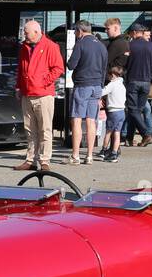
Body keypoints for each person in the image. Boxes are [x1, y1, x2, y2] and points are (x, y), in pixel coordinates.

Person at [14, 19, 64, 171]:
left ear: (36, 32)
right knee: (30, 129)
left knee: (45, 129)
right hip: (28, 94)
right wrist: (18, 87)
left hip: (43, 94)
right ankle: (30, 160)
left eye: (27, 33)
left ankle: (44, 161)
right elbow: (21, 70)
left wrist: (43, 82)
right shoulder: (24, 47)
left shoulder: (50, 46)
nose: (25, 35)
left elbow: (58, 68)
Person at [65, 20, 107, 165]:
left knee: (76, 119)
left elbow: (71, 65)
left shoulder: (81, 44)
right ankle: (89, 155)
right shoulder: (102, 46)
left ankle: (75, 155)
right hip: (97, 86)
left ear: (80, 31)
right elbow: (104, 68)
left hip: (83, 85)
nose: (76, 35)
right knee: (91, 120)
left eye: (76, 32)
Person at [124, 23, 152, 147]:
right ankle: (129, 138)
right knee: (137, 111)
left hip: (133, 80)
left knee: (132, 110)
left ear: (133, 33)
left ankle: (146, 134)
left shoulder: (130, 45)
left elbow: (125, 64)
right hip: (146, 82)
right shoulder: (151, 46)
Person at [99, 65, 126, 163]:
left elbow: (102, 92)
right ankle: (114, 153)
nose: (108, 77)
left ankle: (104, 150)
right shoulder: (122, 85)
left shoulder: (112, 84)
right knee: (117, 133)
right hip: (121, 112)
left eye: (109, 75)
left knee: (108, 132)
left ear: (113, 75)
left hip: (113, 112)